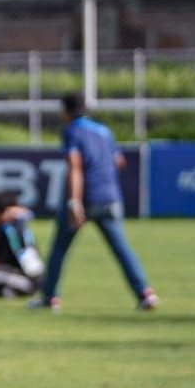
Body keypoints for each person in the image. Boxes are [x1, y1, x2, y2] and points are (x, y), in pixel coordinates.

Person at [29, 94, 158, 312]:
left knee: (59, 248)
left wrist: (74, 203)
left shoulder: (71, 131)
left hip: (86, 198)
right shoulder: (104, 131)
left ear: (65, 111)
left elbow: (75, 166)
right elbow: (118, 161)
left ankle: (49, 297)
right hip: (110, 197)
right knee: (121, 248)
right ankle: (144, 293)